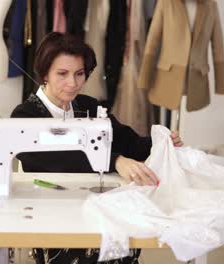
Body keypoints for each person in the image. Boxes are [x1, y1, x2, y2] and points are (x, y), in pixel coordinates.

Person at [11, 32, 183, 264]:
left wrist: (159, 143)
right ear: (45, 74)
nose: (73, 83)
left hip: (94, 208)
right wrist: (115, 161)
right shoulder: (24, 116)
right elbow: (54, 158)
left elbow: (128, 142)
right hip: (51, 212)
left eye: (79, 74)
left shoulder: (89, 107)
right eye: (62, 74)